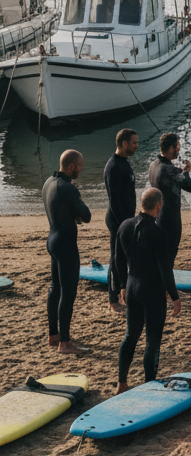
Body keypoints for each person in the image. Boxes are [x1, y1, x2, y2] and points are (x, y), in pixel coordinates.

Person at [114, 187, 181, 391]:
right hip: (152, 292)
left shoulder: (124, 226)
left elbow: (117, 260)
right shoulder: (158, 233)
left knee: (130, 336)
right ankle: (149, 384)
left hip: (132, 288)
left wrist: (123, 286)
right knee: (152, 341)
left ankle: (122, 383)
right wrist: (174, 296)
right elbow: (165, 269)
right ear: (158, 206)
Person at [42, 149, 91, 355]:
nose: (81, 169)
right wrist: (76, 196)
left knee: (55, 287)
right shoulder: (68, 188)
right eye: (80, 166)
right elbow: (86, 216)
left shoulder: (48, 183)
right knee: (68, 292)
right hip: (66, 245)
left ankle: (53, 335)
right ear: (71, 166)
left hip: (53, 240)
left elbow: (59, 209)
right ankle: (65, 343)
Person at [103, 128, 138, 315]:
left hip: (126, 219)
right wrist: (123, 225)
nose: (137, 146)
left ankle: (121, 292)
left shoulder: (123, 163)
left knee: (122, 258)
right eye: (134, 142)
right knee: (115, 259)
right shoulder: (114, 166)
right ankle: (112, 299)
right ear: (124, 143)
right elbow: (114, 199)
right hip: (117, 220)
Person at [147, 132, 191, 264]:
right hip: (170, 216)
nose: (179, 149)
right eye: (178, 146)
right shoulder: (169, 170)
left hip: (156, 214)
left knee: (159, 252)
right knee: (170, 252)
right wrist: (186, 171)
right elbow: (189, 186)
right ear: (172, 148)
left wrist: (179, 170)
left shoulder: (153, 165)